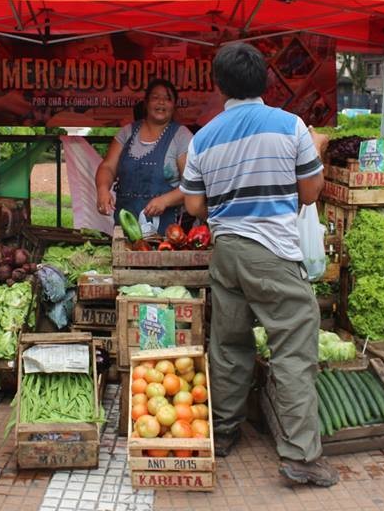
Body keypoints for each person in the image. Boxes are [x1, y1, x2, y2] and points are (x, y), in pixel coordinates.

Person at [180, 43, 337, 487]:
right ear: (266, 80)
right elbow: (309, 194)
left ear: (219, 84)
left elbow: (194, 205)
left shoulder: (204, 136)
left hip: (226, 252)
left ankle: (224, 433)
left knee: (228, 347)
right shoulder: (290, 126)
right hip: (272, 253)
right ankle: (302, 457)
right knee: (293, 348)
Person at [95, 78, 193, 235]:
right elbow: (108, 167)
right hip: (125, 226)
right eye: (155, 98)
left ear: (174, 106)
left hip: (167, 233)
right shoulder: (126, 133)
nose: (161, 103)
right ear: (146, 103)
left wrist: (165, 200)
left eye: (167, 99)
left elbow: (191, 185)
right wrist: (102, 189)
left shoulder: (182, 136)